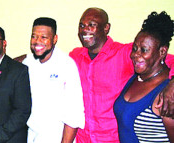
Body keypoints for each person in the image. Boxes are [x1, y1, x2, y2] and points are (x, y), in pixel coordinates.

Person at [69, 7, 174, 142]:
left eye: (92, 25)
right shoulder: (75, 57)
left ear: (106, 28)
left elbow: (164, 60)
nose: (85, 29)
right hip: (84, 139)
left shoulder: (123, 54)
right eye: (82, 25)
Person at [21, 17, 84, 143]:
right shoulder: (28, 62)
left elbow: (74, 113)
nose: (37, 41)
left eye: (44, 37)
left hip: (56, 137)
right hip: (31, 135)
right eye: (34, 36)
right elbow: (15, 61)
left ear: (55, 39)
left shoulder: (66, 65)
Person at [114, 11, 174, 143]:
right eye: (134, 48)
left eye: (144, 50)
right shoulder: (135, 78)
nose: (135, 55)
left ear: (162, 51)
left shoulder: (168, 93)